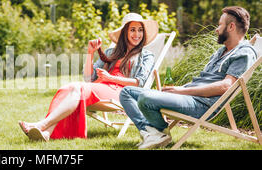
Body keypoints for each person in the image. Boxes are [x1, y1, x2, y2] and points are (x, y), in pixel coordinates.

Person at [119, 6, 257, 149]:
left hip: (201, 104)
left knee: (146, 98)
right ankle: (152, 133)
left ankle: (159, 132)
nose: (216, 29)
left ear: (231, 27)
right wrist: (181, 89)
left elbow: (225, 86)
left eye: (220, 24)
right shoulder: (222, 51)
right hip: (189, 95)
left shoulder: (244, 53)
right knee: (127, 92)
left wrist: (181, 91)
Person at [19, 13, 159, 141]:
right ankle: (46, 133)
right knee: (69, 88)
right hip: (101, 87)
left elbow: (138, 83)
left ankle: (41, 124)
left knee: (77, 88)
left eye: (140, 30)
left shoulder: (146, 56)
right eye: (132, 30)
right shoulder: (112, 52)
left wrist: (110, 78)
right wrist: (90, 53)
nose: (137, 34)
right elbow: (88, 78)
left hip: (122, 93)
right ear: (125, 32)